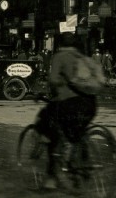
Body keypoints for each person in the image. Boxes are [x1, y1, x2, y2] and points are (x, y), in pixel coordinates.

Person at [35, 33, 97, 191]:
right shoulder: (82, 58)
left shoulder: (60, 56)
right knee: (77, 133)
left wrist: (60, 84)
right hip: (90, 104)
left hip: (68, 104)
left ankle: (51, 177)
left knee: (49, 127)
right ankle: (82, 166)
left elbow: (53, 80)